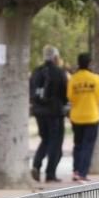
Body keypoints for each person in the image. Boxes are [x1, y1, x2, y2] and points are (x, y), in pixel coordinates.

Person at [29, 45, 69, 182]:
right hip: (55, 113)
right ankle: (50, 173)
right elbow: (65, 93)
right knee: (55, 143)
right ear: (56, 57)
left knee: (45, 139)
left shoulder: (37, 72)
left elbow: (31, 91)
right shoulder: (59, 72)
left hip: (39, 112)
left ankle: (36, 165)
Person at [66, 53, 99, 182]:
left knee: (77, 144)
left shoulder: (73, 78)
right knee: (87, 146)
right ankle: (83, 173)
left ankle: (76, 170)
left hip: (76, 116)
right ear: (89, 63)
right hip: (92, 117)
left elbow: (70, 97)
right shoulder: (96, 78)